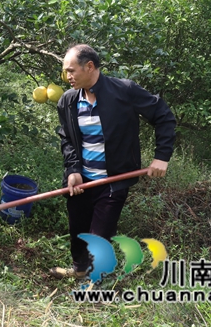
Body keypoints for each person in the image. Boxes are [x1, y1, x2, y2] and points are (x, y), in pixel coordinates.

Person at [49, 44, 176, 279]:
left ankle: (94, 283)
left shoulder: (124, 91)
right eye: (65, 71)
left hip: (113, 181)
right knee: (78, 230)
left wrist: (161, 157)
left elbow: (164, 116)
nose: (67, 77)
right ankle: (79, 270)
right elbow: (67, 139)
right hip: (81, 181)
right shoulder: (67, 101)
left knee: (98, 237)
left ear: (89, 67)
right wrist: (73, 169)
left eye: (71, 70)